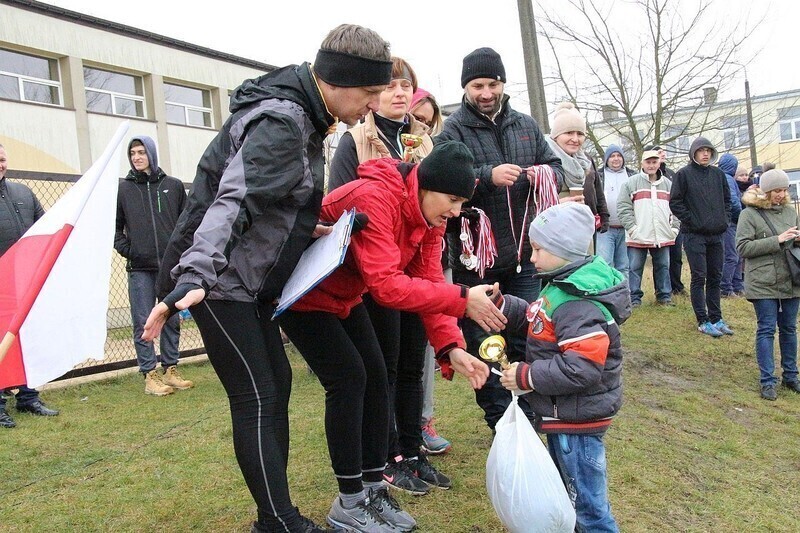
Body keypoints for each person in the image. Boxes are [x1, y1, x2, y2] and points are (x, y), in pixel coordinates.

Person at [143, 24, 393, 533]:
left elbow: (274, 201)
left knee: (275, 387)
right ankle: (276, 521)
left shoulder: (306, 117)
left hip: (249, 282)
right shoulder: (283, 122)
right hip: (219, 281)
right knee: (258, 395)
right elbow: (232, 201)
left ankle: (274, 517)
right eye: (368, 92)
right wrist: (195, 273)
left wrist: (311, 227)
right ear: (337, 81)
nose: (371, 105)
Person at [281, 142, 498, 532]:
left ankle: (371, 489)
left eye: (462, 203)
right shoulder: (375, 197)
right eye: (451, 200)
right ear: (425, 185)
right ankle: (348, 503)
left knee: (379, 380)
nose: (454, 212)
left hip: (346, 297)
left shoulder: (431, 219)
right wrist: (463, 299)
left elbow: (429, 280)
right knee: (349, 380)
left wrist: (451, 346)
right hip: (304, 295)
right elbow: (387, 287)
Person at [328, 57, 447, 494]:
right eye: (391, 85)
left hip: (417, 268)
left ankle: (414, 453)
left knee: (415, 364)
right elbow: (343, 206)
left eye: (406, 86)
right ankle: (390, 455)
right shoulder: (355, 139)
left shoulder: (424, 142)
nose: (399, 93)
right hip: (376, 276)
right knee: (387, 368)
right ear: (374, 93)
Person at [436, 47, 563, 432]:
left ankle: (529, 409)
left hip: (524, 256)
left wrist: (540, 175)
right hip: (477, 263)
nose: (486, 92)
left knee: (528, 334)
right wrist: (486, 175)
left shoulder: (525, 124)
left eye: (492, 84)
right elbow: (442, 183)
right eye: (478, 85)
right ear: (466, 87)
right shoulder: (453, 130)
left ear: (503, 83)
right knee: (487, 339)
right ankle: (501, 420)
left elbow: (557, 170)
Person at [498, 202, 629, 533]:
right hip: (564, 415)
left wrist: (526, 376)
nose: (532, 257)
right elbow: (541, 320)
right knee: (569, 497)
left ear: (564, 250)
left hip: (577, 421)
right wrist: (506, 306)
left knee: (587, 507)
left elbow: (581, 368)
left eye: (539, 249)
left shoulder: (577, 302)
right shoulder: (560, 286)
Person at [114, 136, 190, 396]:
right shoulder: (123, 190)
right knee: (142, 321)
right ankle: (149, 374)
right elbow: (114, 230)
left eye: (141, 152)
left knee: (171, 317)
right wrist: (130, 251)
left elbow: (187, 224)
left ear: (152, 154)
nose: (136, 157)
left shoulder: (174, 186)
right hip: (140, 269)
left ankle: (171, 369)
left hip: (170, 267)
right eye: (132, 153)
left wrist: (181, 254)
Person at [0, 144, 60, 428]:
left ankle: (28, 396)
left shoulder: (23, 193)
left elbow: (45, 227)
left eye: (1, 159)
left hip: (24, 281)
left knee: (27, 340)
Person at [736, 169, 800, 401]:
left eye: (784, 190)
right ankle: (767, 381)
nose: (782, 195)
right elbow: (742, 248)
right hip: (763, 282)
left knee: (790, 329)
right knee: (766, 329)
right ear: (766, 191)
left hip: (791, 280)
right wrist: (778, 240)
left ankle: (791, 376)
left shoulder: (791, 212)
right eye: (777, 191)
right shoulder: (749, 214)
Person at [410, 87, 450, 455]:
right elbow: (384, 281)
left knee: (421, 355)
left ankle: (419, 425)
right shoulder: (360, 141)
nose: (422, 126)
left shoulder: (435, 157)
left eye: (428, 121)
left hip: (427, 268)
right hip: (384, 280)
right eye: (416, 118)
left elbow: (431, 270)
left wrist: (451, 346)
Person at [669, 137, 733, 337]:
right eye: (701, 150)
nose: (705, 153)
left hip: (717, 234)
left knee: (715, 276)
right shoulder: (683, 175)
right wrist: (692, 221)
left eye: (708, 150)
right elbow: (675, 202)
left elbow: (727, 200)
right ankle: (702, 320)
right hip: (694, 235)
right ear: (694, 153)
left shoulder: (718, 174)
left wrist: (725, 220)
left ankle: (716, 317)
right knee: (699, 276)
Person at [617, 149, 679, 307]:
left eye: (654, 162)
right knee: (634, 267)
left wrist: (674, 229)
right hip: (638, 235)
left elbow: (676, 208)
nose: (651, 165)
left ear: (659, 163)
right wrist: (632, 229)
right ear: (642, 163)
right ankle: (634, 298)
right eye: (648, 162)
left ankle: (664, 296)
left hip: (662, 235)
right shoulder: (631, 183)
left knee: (663, 266)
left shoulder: (668, 185)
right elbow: (624, 208)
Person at [545, 102, 609, 249]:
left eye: (580, 134)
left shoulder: (584, 161)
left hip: (582, 226)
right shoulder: (544, 161)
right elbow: (532, 203)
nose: (575, 139)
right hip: (555, 233)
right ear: (556, 136)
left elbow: (597, 190)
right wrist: (557, 204)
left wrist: (603, 214)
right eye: (569, 133)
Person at [596, 144, 635, 279]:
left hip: (627, 229)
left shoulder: (632, 175)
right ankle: (606, 295)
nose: (616, 159)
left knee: (624, 266)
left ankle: (624, 297)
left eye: (619, 155)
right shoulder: (598, 175)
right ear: (606, 159)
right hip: (605, 229)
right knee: (604, 264)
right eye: (612, 156)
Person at [717, 153, 744, 297]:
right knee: (732, 256)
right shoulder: (727, 179)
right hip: (731, 223)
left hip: (729, 222)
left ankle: (737, 286)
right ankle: (726, 288)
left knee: (736, 255)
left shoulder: (722, 178)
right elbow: (734, 202)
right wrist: (742, 218)